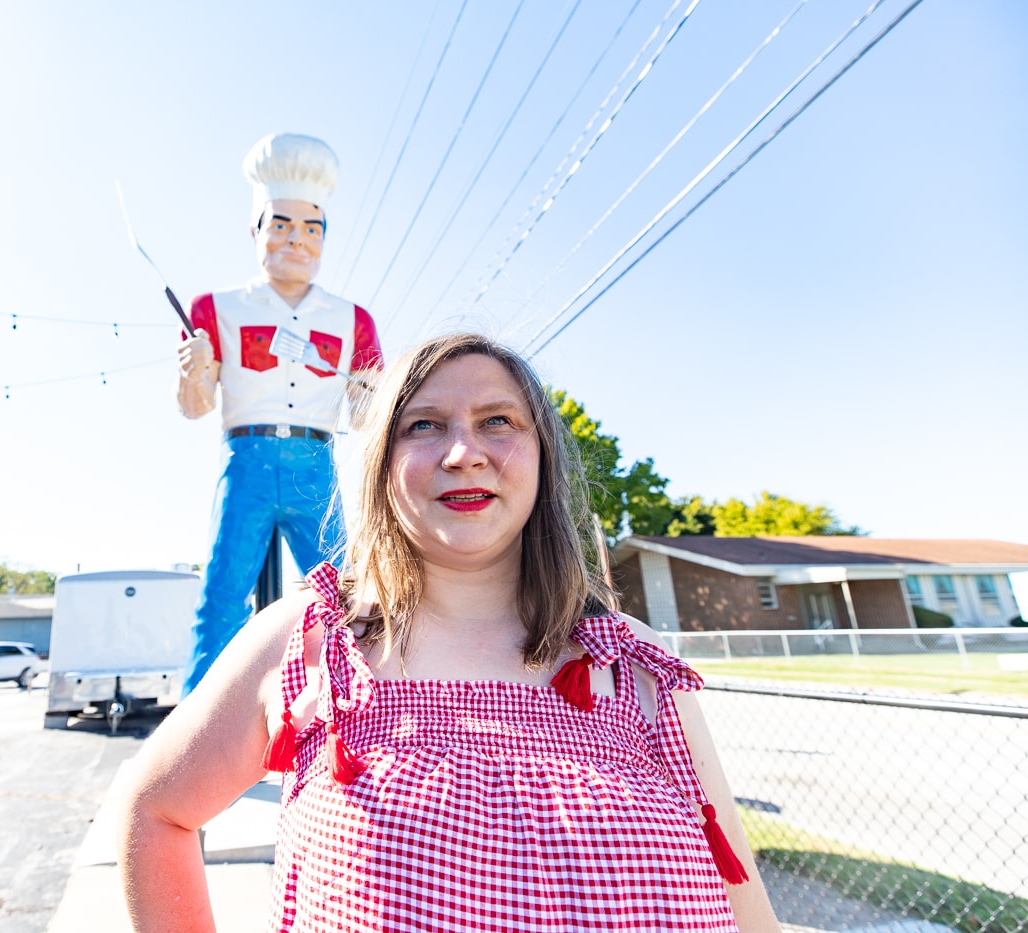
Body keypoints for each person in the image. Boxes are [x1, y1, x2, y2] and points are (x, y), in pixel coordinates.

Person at [122, 333, 780, 932]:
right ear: (385, 465)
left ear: (542, 455)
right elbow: (153, 812)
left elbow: (749, 915)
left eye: (497, 420)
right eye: (425, 425)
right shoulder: (309, 642)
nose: (464, 454)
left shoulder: (633, 663)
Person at [176, 132, 383, 696]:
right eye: (282, 225)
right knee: (221, 597)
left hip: (316, 461)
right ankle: (195, 736)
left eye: (312, 228)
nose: (297, 240)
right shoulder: (214, 309)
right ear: (256, 229)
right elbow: (195, 408)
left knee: (348, 598)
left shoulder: (353, 320)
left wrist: (345, 375)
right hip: (245, 458)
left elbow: (368, 416)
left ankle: (366, 715)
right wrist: (193, 370)